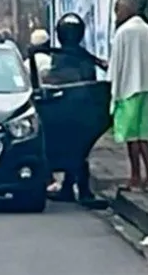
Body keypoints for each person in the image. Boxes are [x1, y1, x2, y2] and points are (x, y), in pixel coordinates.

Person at [44, 13, 108, 209]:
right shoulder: (81, 56)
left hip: (63, 111)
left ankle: (74, 188)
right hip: (81, 112)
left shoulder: (60, 56)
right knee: (79, 151)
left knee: (76, 151)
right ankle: (75, 188)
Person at [109, 0, 148, 192]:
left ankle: (135, 177)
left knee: (131, 137)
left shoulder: (123, 32)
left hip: (127, 89)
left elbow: (116, 64)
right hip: (147, 88)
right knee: (144, 135)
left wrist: (113, 89)